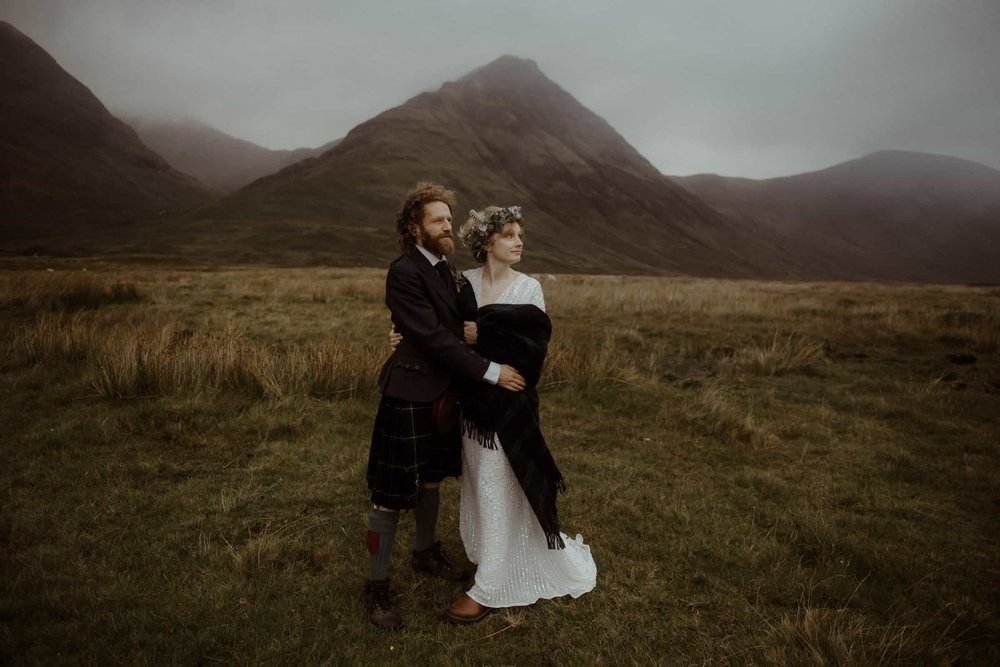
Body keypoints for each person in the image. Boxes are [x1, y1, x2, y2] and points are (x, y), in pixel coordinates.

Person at [390, 205, 597, 623]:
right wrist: (403, 337)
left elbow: (531, 353)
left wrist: (482, 334)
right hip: (472, 409)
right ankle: (490, 558)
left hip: (511, 407)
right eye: (508, 235)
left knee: (499, 485)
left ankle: (490, 586)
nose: (518, 241)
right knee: (482, 488)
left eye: (520, 234)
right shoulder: (460, 282)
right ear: (486, 243)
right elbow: (439, 335)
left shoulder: (530, 289)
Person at [364, 183, 526, 630]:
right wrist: (489, 370)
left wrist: (472, 325)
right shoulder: (404, 271)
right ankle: (376, 586)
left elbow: (460, 319)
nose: (446, 226)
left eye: (448, 220)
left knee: (432, 478)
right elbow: (433, 336)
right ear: (415, 227)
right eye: (437, 220)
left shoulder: (446, 271)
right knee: (391, 492)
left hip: (444, 395)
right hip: (410, 393)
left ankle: (424, 553)